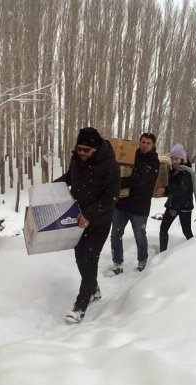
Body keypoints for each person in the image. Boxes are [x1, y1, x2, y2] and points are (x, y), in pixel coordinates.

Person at [56, 127, 120, 324]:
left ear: (96, 148)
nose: (82, 153)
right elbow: (71, 176)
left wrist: (89, 215)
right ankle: (93, 288)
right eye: (79, 149)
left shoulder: (110, 165)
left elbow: (111, 197)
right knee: (79, 256)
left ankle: (81, 304)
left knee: (90, 257)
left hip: (99, 220)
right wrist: (50, 187)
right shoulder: (77, 158)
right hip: (79, 217)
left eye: (86, 150)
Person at [110, 133, 159, 275]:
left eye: (148, 143)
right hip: (122, 204)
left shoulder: (153, 162)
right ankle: (117, 263)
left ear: (153, 145)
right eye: (143, 142)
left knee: (140, 235)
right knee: (115, 235)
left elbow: (139, 180)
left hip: (140, 207)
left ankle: (142, 262)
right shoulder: (131, 156)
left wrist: (118, 183)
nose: (145, 145)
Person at [155, 144, 196, 252]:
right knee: (165, 229)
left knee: (186, 231)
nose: (174, 161)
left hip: (182, 207)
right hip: (175, 205)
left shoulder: (186, 172)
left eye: (176, 158)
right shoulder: (174, 169)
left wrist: (165, 190)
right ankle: (162, 253)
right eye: (172, 158)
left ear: (182, 159)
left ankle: (195, 251)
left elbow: (180, 189)